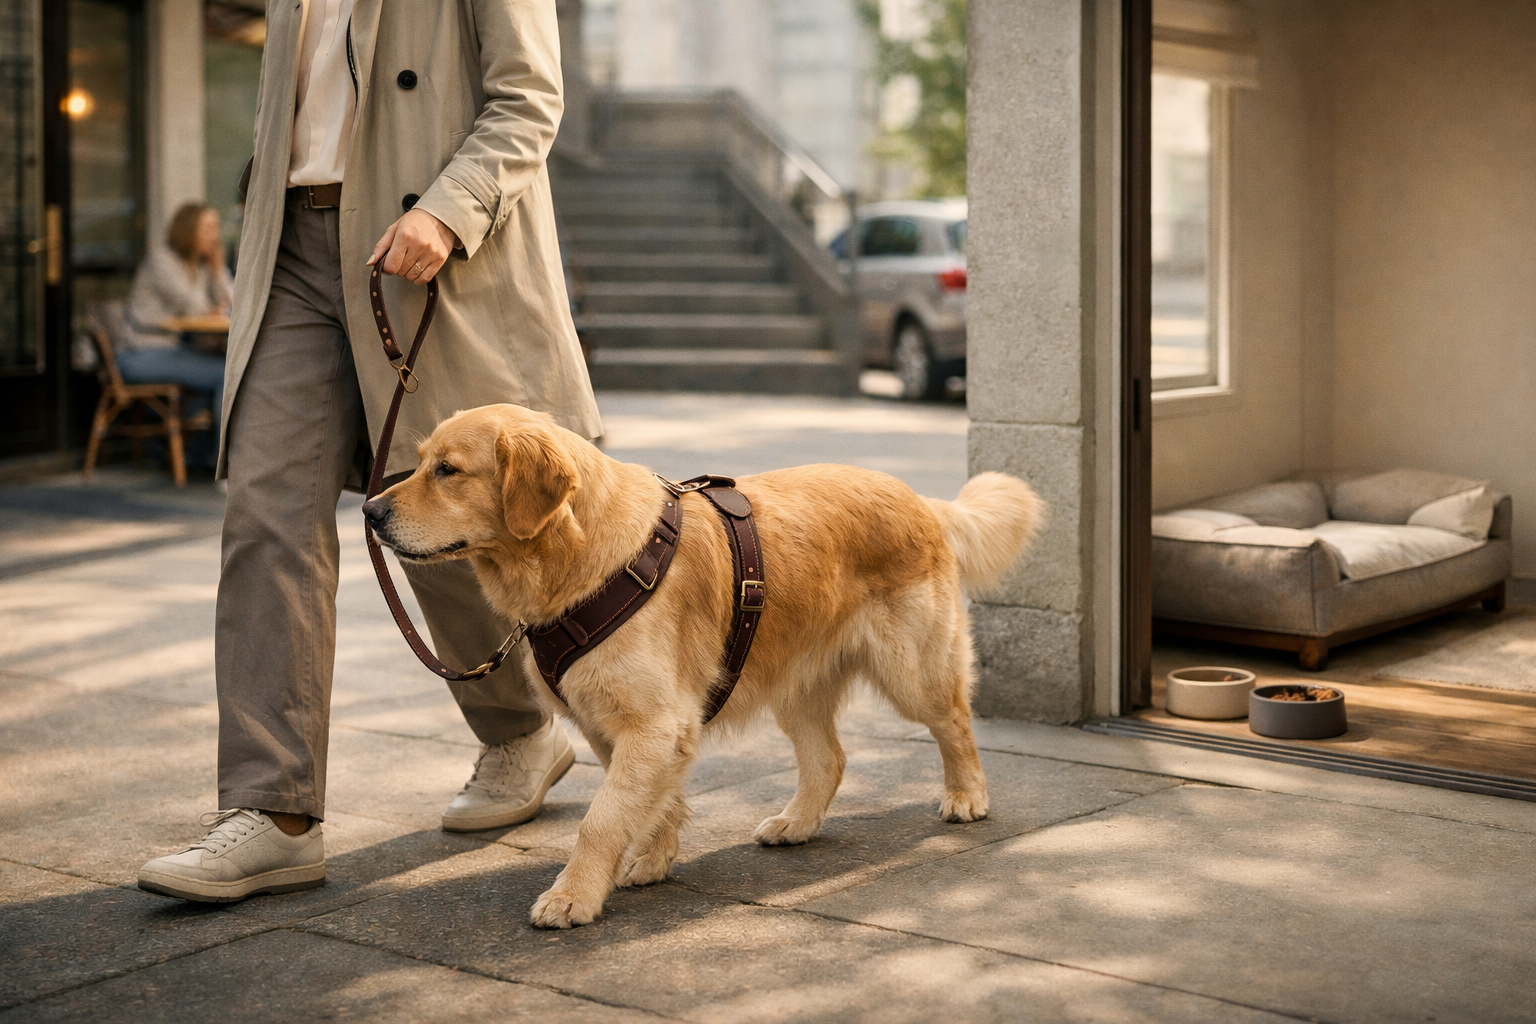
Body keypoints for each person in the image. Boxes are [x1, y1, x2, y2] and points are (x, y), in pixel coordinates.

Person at [137, 0, 600, 903]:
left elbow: (528, 97)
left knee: (441, 514)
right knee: (264, 511)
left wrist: (449, 208)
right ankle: (271, 812)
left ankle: (518, 734)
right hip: (291, 249)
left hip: (428, 243)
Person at [119, 202, 231, 452]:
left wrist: (217, 266)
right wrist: (213, 278)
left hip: (172, 350)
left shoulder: (199, 265)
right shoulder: (162, 261)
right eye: (209, 228)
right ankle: (226, 464)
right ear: (189, 230)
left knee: (228, 370)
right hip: (142, 353)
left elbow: (232, 301)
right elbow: (195, 307)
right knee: (226, 374)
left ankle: (197, 456)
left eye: (217, 228)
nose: (215, 235)